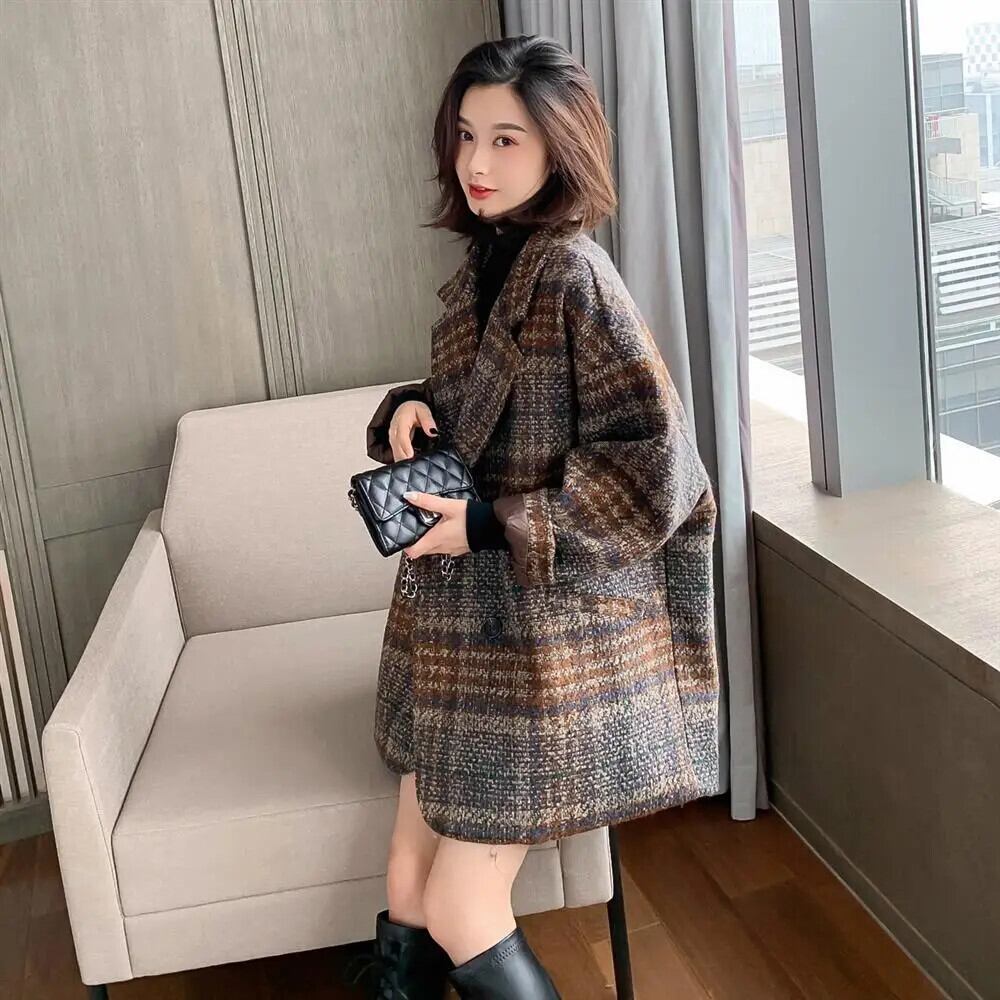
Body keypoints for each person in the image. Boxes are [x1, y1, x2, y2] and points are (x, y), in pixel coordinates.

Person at [348, 34, 719, 1000]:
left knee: (461, 905)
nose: (476, 162)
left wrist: (487, 526)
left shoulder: (574, 275)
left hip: (537, 645)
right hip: (461, 631)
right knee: (406, 887)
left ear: (560, 147)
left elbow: (660, 470)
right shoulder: (489, 267)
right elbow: (488, 410)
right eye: (466, 135)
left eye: (506, 140)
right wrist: (412, 407)